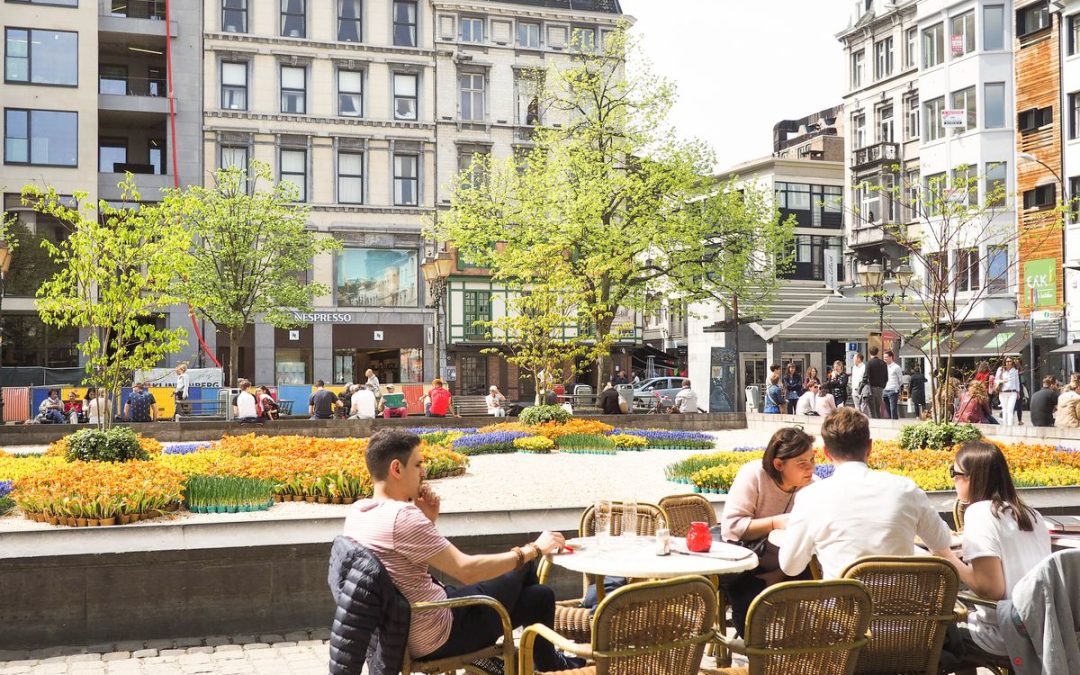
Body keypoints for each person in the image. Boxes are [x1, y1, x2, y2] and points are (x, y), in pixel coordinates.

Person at [342, 429, 583, 672]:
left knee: (540, 597)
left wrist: (428, 521)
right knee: (525, 565)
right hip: (438, 634)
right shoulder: (402, 517)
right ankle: (513, 663)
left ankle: (549, 665)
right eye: (417, 465)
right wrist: (533, 549)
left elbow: (402, 565)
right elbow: (466, 570)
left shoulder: (358, 512)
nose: (423, 472)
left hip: (398, 633)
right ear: (396, 469)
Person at [779, 407, 954, 580]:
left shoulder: (811, 497)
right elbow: (942, 541)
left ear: (826, 452)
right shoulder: (906, 489)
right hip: (904, 607)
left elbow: (790, 567)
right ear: (869, 447)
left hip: (842, 607)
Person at [938, 441, 1052, 673]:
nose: (953, 479)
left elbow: (990, 589)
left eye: (955, 473)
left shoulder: (979, 513)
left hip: (1004, 633)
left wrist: (944, 554)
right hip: (1040, 629)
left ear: (973, 478)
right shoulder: (1033, 515)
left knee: (934, 635)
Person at [719, 427, 818, 635]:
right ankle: (759, 657)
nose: (810, 468)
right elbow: (732, 527)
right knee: (749, 602)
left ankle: (795, 652)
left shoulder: (813, 487)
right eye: (802, 463)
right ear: (778, 464)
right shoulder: (754, 474)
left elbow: (814, 539)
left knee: (812, 591)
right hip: (748, 561)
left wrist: (780, 573)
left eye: (812, 460)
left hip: (790, 564)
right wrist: (775, 522)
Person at [994, 357, 1021, 428]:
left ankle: (1010, 427)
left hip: (1012, 392)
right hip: (1003, 392)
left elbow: (1017, 382)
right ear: (1004, 362)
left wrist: (1018, 391)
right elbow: (996, 380)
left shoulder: (1014, 371)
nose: (1008, 363)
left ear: (1012, 362)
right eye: (1007, 361)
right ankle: (1005, 426)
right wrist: (1002, 381)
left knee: (1010, 409)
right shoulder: (1001, 369)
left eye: (1010, 361)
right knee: (1004, 410)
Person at [865, 347, 888, 419]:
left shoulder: (869, 363)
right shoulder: (883, 363)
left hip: (871, 388)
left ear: (869, 353)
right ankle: (879, 423)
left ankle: (873, 424)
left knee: (871, 408)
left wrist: (862, 387)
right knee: (878, 408)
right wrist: (883, 386)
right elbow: (886, 377)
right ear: (877, 352)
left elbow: (866, 376)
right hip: (880, 388)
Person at [882, 350, 903, 420]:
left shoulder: (896, 367)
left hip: (893, 390)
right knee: (888, 409)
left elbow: (900, 380)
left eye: (886, 357)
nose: (884, 359)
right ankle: (891, 421)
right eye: (884, 357)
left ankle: (895, 422)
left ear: (891, 357)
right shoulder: (884, 367)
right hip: (885, 390)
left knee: (893, 409)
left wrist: (896, 387)